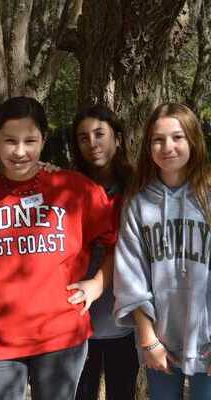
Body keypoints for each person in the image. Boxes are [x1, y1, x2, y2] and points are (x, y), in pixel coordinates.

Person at [0, 96, 119, 400]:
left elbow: (117, 244)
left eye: (30, 140)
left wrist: (97, 285)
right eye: (10, 140)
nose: (19, 151)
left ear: (44, 139)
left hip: (60, 337)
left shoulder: (75, 189)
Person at [113, 103, 211, 400]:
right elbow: (131, 274)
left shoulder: (208, 196)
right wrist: (148, 339)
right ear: (148, 146)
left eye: (177, 137)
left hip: (207, 340)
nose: (168, 146)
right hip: (160, 341)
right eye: (158, 139)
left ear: (193, 140)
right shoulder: (138, 203)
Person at [71, 105, 139, 400]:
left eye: (100, 134)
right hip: (78, 317)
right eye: (83, 138)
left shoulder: (138, 187)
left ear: (117, 138)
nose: (92, 143)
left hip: (125, 320)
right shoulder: (66, 187)